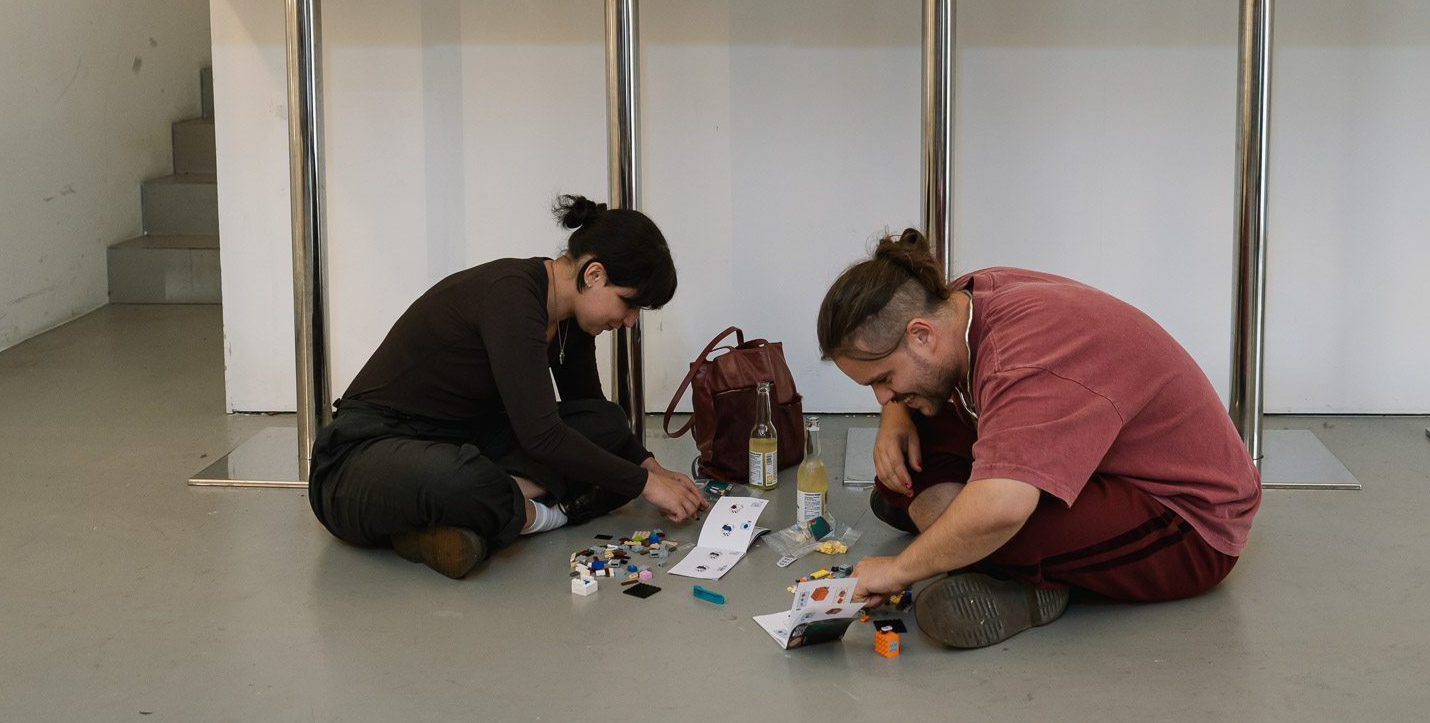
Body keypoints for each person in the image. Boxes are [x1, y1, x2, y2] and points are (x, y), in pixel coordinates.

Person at [816, 229, 1260, 648]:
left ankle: (1029, 586)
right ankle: (959, 536)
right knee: (916, 433)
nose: (881, 397)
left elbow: (1002, 509)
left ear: (920, 335)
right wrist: (896, 416)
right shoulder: (957, 302)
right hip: (1098, 458)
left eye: (883, 379)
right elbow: (919, 384)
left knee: (993, 523)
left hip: (1184, 518)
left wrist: (898, 570)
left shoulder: (1022, 360)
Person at [307, 195, 709, 579]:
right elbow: (542, 437)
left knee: (608, 422)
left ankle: (459, 522)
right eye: (629, 303)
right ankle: (546, 515)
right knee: (464, 481)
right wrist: (644, 485)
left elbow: (591, 412)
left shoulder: (570, 319)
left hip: (463, 442)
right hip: (361, 459)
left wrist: (650, 467)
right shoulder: (512, 297)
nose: (631, 320)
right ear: (594, 274)